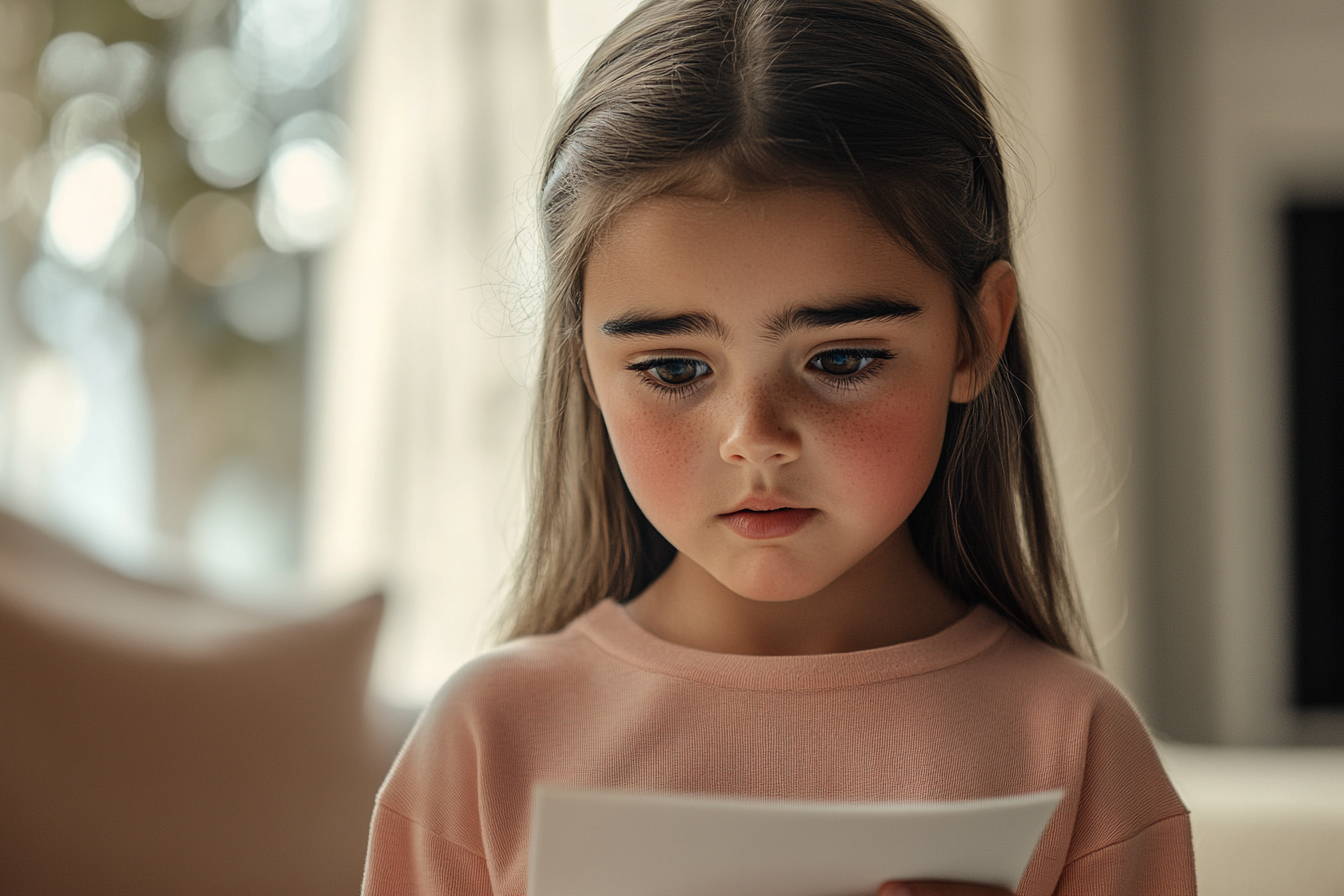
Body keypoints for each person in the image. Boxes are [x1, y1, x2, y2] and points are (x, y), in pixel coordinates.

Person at [360, 1, 1197, 894]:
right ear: (584, 371)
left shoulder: (1079, 745)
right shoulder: (486, 740)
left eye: (841, 359)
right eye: (675, 370)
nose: (754, 438)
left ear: (974, 339)